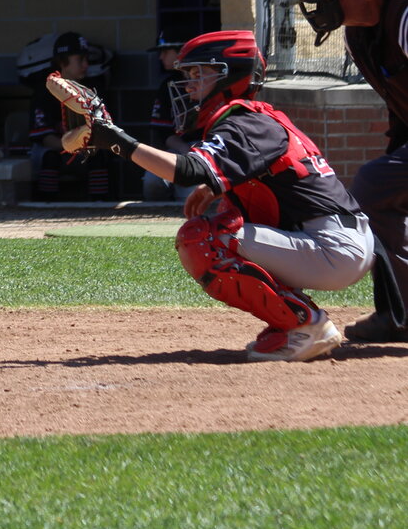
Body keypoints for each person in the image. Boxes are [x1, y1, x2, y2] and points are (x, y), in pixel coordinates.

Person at [72, 30, 373, 361]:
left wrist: (120, 143)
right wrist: (215, 186)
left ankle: (305, 325)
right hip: (335, 240)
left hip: (331, 247)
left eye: (199, 73)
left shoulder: (245, 123)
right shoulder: (254, 119)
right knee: (227, 217)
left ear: (232, 75)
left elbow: (185, 170)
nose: (189, 84)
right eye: (188, 74)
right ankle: (297, 318)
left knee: (202, 238)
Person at [294, 0, 408, 342]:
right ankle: (398, 315)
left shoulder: (406, 16)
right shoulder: (359, 33)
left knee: (378, 183)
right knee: (384, 187)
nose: (322, 0)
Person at [28, 31, 113, 200]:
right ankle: (46, 205)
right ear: (62, 62)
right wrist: (73, 146)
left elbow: (103, 130)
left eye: (86, 59)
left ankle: (99, 205)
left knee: (99, 156)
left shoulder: (91, 88)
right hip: (54, 148)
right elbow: (44, 137)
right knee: (49, 157)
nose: (85, 65)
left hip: (83, 149)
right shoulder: (46, 89)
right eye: (79, 60)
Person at [141, 31, 194, 202]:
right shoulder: (169, 84)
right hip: (179, 150)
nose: (160, 57)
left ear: (182, 51)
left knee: (189, 193)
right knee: (151, 182)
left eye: (166, 51)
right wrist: (185, 148)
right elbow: (163, 134)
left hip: (206, 150)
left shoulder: (211, 81)